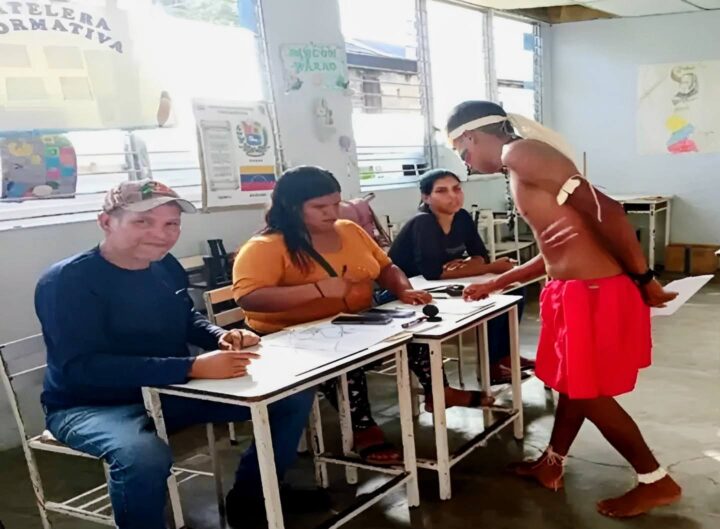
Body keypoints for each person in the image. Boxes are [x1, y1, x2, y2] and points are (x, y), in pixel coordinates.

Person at [35, 180, 323, 529]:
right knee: (142, 456)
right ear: (106, 222)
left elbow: (185, 316)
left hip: (170, 391)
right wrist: (191, 367)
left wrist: (221, 336)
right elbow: (81, 369)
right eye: (143, 222)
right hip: (90, 404)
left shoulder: (164, 265)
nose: (160, 234)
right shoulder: (68, 281)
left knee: (291, 395)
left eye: (171, 223)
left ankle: (253, 496)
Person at [448, 101, 682, 518]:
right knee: (574, 385)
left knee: (588, 392)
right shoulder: (518, 165)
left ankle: (655, 479)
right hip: (574, 291)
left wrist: (646, 279)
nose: (465, 162)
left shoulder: (520, 154)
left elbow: (607, 210)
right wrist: (496, 282)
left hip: (592, 292)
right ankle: (551, 463)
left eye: (462, 152)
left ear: (471, 135)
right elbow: (555, 248)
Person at [232, 165, 493, 465]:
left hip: (354, 320)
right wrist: (317, 289)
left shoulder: (349, 230)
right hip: (293, 337)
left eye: (335, 203)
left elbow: (386, 267)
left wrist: (402, 290)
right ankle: (362, 427)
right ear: (290, 208)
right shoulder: (264, 247)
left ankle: (440, 391)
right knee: (344, 359)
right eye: (319, 207)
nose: (331, 213)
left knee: (415, 331)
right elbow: (250, 298)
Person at [388, 168, 532, 383]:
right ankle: (490, 365)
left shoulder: (462, 217)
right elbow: (432, 272)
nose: (453, 196)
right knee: (492, 299)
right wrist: (489, 267)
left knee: (513, 290)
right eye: (442, 191)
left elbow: (479, 255)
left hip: (442, 285)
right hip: (411, 292)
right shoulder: (423, 222)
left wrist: (468, 264)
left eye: (456, 189)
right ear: (426, 197)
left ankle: (504, 355)